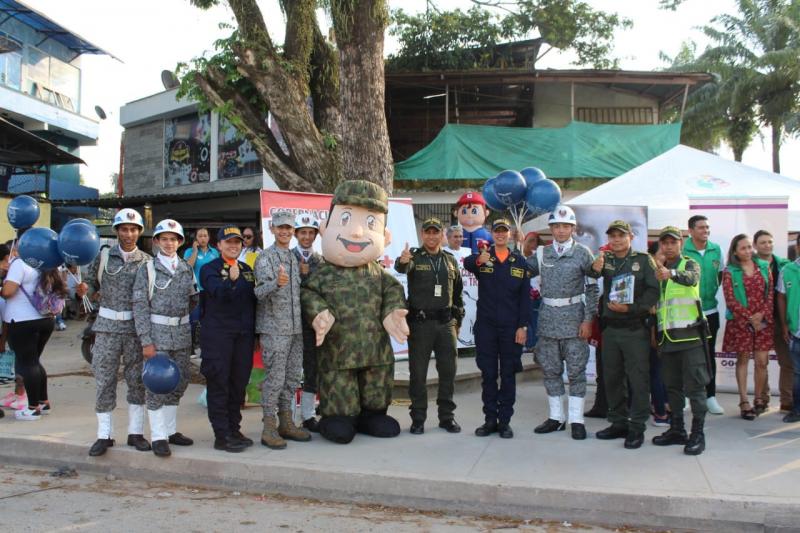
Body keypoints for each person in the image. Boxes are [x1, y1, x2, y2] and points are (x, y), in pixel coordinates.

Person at [301, 180, 408, 445]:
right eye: (346, 219)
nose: (358, 232)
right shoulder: (323, 273)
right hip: (339, 348)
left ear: (386, 237)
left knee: (376, 382)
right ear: (325, 229)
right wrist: (318, 313)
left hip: (375, 349)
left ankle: (373, 413)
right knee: (339, 386)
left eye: (371, 223)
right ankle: (338, 417)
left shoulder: (379, 275)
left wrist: (392, 312)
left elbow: (393, 291)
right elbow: (308, 293)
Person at [79, 208, 152, 456]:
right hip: (107, 328)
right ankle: (104, 435)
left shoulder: (147, 262)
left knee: (137, 381)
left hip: (134, 330)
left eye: (133, 229)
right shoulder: (103, 257)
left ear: (139, 232)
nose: (129, 234)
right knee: (104, 379)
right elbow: (89, 288)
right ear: (117, 231)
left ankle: (135, 433)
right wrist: (83, 290)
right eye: (124, 229)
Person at [528, 206, 598, 440]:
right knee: (551, 371)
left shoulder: (583, 253)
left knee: (577, 373)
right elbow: (518, 271)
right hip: (548, 321)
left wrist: (588, 319)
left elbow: (592, 288)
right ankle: (556, 417)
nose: (560, 230)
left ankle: (577, 419)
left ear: (573, 228)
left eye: (565, 226)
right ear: (551, 229)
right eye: (556, 226)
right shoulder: (541, 254)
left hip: (575, 321)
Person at [132, 219, 199, 457]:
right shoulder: (147, 269)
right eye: (164, 239)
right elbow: (139, 307)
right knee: (157, 384)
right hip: (157, 334)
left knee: (179, 382)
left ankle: (171, 431)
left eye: (173, 239)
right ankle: (159, 436)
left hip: (181, 335)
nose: (169, 243)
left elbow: (193, 300)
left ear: (180, 242)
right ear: (157, 242)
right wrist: (146, 341)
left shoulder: (185, 268)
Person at [590, 220, 659, 449]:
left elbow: (653, 290)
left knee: (638, 379)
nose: (616, 240)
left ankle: (637, 427)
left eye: (621, 236)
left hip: (634, 328)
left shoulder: (642, 260)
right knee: (612, 378)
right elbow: (589, 275)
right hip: (611, 329)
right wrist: (594, 268)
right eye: (612, 236)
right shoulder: (606, 259)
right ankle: (618, 422)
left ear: (630, 237)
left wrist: (632, 308)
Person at [396, 217, 464, 435]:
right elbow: (403, 266)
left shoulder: (450, 261)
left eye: (436, 232)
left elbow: (458, 294)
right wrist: (403, 260)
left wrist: (457, 321)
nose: (432, 236)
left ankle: (447, 417)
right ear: (422, 234)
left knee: (448, 373)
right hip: (420, 325)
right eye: (428, 232)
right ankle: (418, 419)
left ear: (442, 234)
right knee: (418, 374)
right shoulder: (415, 257)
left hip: (445, 325)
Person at [464, 218, 531, 438]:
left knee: (509, 374)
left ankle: (504, 421)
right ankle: (490, 420)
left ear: (510, 234)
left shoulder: (519, 262)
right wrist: (479, 260)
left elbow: (525, 299)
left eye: (504, 231)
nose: (501, 235)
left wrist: (523, 326)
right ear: (492, 234)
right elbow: (467, 263)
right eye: (497, 231)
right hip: (487, 326)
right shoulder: (484, 257)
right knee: (489, 374)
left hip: (511, 327)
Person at [651, 226, 710, 455]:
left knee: (695, 387)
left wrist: (671, 274)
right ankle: (677, 429)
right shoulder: (658, 271)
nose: (668, 246)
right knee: (672, 387)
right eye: (664, 243)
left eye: (672, 242)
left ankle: (698, 433)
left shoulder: (689, 263)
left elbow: (691, 279)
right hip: (668, 339)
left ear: (681, 243)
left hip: (691, 336)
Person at [254, 210, 310, 449]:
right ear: (272, 230)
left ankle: (286, 422)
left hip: (296, 330)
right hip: (274, 329)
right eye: (280, 228)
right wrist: (276, 283)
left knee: (291, 378)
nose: (285, 232)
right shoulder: (265, 258)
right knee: (274, 380)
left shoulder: (295, 259)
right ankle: (269, 426)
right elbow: (257, 293)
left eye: (288, 228)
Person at [199, 225, 257, 453]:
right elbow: (217, 292)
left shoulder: (246, 268)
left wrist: (256, 334)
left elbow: (253, 302)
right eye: (228, 242)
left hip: (243, 336)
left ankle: (234, 429)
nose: (233, 246)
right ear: (219, 245)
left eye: (237, 242)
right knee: (219, 384)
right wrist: (230, 281)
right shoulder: (209, 268)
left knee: (238, 384)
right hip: (218, 336)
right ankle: (221, 435)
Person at [1, 255, 66, 421]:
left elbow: (8, 292)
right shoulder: (50, 262)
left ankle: (33, 408)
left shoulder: (20, 263)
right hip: (46, 319)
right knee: (34, 362)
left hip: (22, 321)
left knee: (27, 364)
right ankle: (43, 402)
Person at [722, 234, 774, 420]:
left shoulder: (764, 266)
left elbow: (770, 295)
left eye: (749, 247)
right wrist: (749, 317)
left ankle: (759, 398)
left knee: (762, 362)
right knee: (742, 360)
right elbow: (730, 299)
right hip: (741, 322)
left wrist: (761, 315)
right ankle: (744, 401)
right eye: (743, 248)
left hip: (763, 322)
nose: (747, 251)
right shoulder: (729, 271)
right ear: (735, 251)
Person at [682, 215, 725, 415]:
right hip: (687, 312)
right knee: (686, 355)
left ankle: (710, 396)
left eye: (707, 227)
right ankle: (686, 396)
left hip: (710, 311)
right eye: (701, 227)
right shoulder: (683, 250)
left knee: (708, 356)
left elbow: (720, 276)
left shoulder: (717, 250)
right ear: (690, 230)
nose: (705, 231)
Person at [753, 229, 791, 412]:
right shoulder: (749, 265)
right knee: (761, 363)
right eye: (763, 242)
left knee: (787, 362)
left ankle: (786, 400)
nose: (767, 245)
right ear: (755, 246)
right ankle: (762, 399)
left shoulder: (784, 265)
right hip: (760, 321)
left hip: (781, 320)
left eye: (769, 242)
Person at [292, 213, 324, 432]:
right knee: (290, 371)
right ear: (296, 234)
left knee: (312, 369)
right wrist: (299, 276)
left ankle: (308, 415)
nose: (307, 236)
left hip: (312, 323)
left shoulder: (320, 260)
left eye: (311, 233)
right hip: (289, 322)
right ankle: (285, 415)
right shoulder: (286, 256)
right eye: (303, 232)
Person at [183, 228, 219, 354]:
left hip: (210, 292)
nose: (203, 238)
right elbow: (188, 267)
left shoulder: (214, 252)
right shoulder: (189, 251)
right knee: (193, 320)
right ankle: (191, 347)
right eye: (200, 236)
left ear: (209, 238)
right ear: (196, 238)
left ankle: (206, 347)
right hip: (195, 291)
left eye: (205, 236)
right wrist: (194, 251)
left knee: (208, 320)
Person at [777, 233, 800, 423]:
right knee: (797, 373)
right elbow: (781, 297)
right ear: (798, 248)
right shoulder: (787, 270)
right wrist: (785, 324)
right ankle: (796, 409)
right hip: (796, 332)